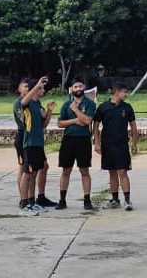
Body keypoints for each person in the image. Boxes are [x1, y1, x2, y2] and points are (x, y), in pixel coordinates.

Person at [15, 75, 57, 214]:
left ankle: (32, 202)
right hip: (30, 143)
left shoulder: (38, 105)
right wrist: (37, 84)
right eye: (41, 88)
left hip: (39, 143)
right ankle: (24, 203)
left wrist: (49, 111)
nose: (43, 90)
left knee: (34, 173)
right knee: (27, 173)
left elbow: (44, 125)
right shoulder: (26, 103)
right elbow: (24, 102)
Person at [94, 82, 138, 210]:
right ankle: (114, 199)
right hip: (107, 145)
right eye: (124, 92)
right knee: (112, 172)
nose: (126, 94)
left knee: (122, 171)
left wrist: (134, 143)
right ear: (117, 92)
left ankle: (128, 200)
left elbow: (133, 126)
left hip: (122, 145)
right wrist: (97, 143)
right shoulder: (103, 107)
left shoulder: (127, 107)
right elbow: (95, 125)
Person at [56, 78, 96, 211]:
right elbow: (60, 123)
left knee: (84, 170)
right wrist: (75, 120)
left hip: (83, 139)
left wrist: (76, 110)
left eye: (80, 86)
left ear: (83, 87)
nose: (78, 89)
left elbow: (87, 121)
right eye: (75, 87)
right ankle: (62, 200)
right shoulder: (66, 104)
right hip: (68, 140)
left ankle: (87, 199)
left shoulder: (90, 103)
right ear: (71, 89)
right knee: (66, 170)